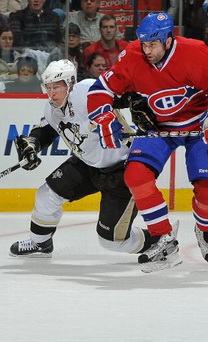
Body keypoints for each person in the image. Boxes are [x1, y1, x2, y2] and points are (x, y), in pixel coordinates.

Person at [86, 13, 208, 272]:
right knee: (136, 175)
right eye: (143, 43)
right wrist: (104, 116)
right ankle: (163, 239)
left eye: (152, 44)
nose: (146, 50)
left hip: (199, 126)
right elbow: (101, 89)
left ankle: (206, 232)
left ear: (168, 39)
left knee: (206, 186)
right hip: (157, 128)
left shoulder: (195, 53)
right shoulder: (132, 56)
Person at [9, 59, 155, 264]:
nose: (52, 93)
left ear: (70, 84)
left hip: (121, 171)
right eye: (48, 87)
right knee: (46, 195)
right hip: (87, 165)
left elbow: (122, 94)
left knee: (111, 241)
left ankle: (157, 240)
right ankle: (40, 243)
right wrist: (32, 144)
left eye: (57, 87)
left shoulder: (86, 92)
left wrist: (137, 102)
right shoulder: (52, 108)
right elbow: (46, 130)